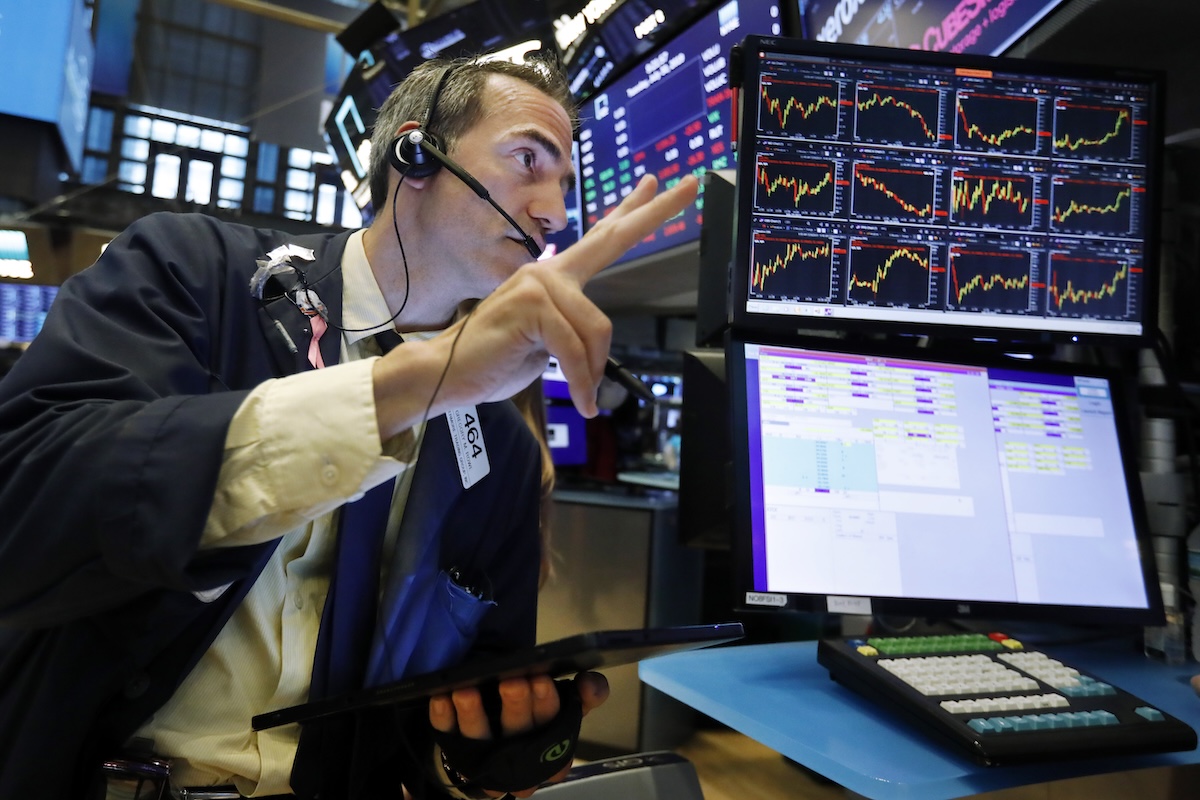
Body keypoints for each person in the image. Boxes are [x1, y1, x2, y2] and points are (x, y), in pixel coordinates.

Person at [0, 53, 698, 799]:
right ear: (413, 155)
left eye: (564, 183)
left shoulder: (502, 452)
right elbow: (26, 502)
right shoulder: (192, 272)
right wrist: (421, 380)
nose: (555, 210)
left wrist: (503, 744)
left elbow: (447, 721)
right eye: (529, 159)